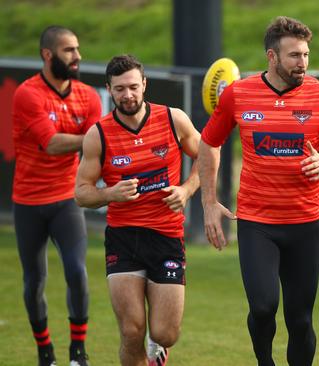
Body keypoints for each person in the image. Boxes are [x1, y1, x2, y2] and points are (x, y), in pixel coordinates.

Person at [198, 16, 319, 366]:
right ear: (271, 57)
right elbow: (209, 143)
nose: (302, 63)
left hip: (304, 225)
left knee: (300, 320)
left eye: (305, 55)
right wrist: (209, 202)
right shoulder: (239, 94)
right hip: (257, 223)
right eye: (294, 56)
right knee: (262, 306)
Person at [74, 54, 201, 366]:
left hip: (167, 235)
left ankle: (159, 346)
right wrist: (110, 193)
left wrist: (186, 190)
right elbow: (81, 193)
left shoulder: (173, 119)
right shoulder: (98, 134)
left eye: (132, 87)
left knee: (165, 332)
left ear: (144, 84)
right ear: (109, 90)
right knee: (131, 331)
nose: (127, 95)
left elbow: (207, 157)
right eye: (119, 89)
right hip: (123, 238)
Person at [11, 25, 101, 366]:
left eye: (77, 49)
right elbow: (50, 144)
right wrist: (92, 138)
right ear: (48, 55)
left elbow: (97, 149)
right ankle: (44, 350)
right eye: (68, 50)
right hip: (29, 202)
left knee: (77, 272)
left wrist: (96, 141)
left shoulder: (89, 96)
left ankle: (78, 352)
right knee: (34, 281)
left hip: (67, 199)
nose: (77, 56)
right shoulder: (28, 94)